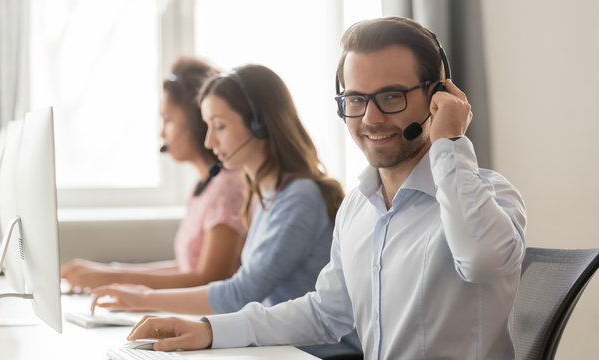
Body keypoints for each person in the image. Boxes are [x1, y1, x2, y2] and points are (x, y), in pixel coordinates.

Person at [119, 17, 528, 359]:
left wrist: (450, 143)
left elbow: (480, 261)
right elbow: (325, 312)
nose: (370, 118)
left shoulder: (489, 195)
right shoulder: (358, 209)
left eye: (391, 96)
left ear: (437, 99)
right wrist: (210, 330)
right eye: (355, 99)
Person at [89, 64, 361, 357]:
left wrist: (145, 298)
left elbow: (241, 292)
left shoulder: (300, 197)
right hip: (275, 347)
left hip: (315, 353)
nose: (209, 141)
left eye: (219, 126)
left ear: (260, 124)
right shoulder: (264, 195)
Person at [61, 56, 247, 292]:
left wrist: (114, 279)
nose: (162, 133)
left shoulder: (227, 188)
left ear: (196, 119)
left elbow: (209, 281)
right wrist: (109, 273)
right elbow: (186, 268)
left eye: (168, 120)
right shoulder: (205, 186)